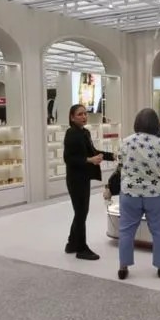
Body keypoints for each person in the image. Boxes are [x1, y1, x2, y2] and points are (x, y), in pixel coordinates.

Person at [115, 108, 160, 280]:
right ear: (156, 124)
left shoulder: (125, 142)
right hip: (155, 194)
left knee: (126, 231)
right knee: (159, 231)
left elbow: (119, 164)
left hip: (130, 193)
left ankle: (123, 267)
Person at [63, 104, 115, 260]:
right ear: (72, 117)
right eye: (80, 114)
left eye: (85, 114)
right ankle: (81, 248)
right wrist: (89, 160)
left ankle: (72, 243)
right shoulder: (71, 133)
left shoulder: (84, 132)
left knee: (81, 212)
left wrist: (112, 156)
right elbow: (68, 159)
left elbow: (92, 151)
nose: (84, 116)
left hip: (83, 177)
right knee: (81, 213)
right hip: (75, 179)